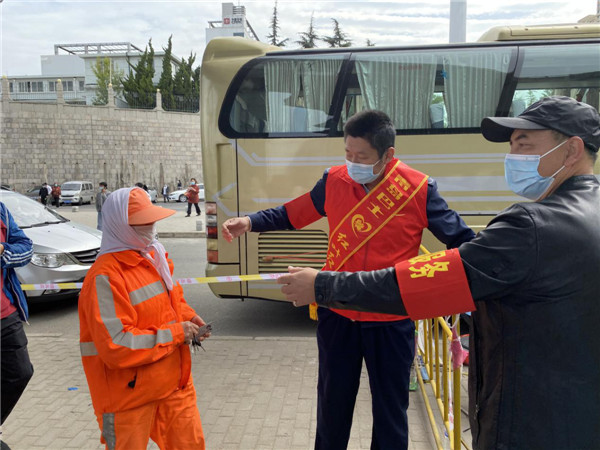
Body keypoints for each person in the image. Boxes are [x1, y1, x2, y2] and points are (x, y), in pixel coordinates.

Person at [279, 97, 600, 450]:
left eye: (523, 145)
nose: (513, 157)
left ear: (572, 150)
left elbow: (421, 282)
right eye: (511, 146)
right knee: (333, 403)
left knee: (389, 411)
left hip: (532, 417)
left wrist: (322, 285)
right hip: (572, 408)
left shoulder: (529, 226)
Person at [222, 110, 474, 449]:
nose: (353, 163)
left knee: (390, 412)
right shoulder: (334, 180)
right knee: (332, 406)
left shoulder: (418, 189)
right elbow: (294, 213)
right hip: (337, 314)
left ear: (388, 155)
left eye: (362, 157)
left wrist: (446, 289)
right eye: (348, 153)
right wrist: (251, 222)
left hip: (391, 319)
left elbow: (462, 240)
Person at [78, 187, 210, 450]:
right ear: (119, 226)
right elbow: (117, 345)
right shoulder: (105, 277)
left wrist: (190, 319)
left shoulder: (154, 257)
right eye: (142, 222)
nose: (151, 227)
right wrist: (178, 333)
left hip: (173, 384)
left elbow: (173, 302)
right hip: (126, 399)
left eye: (151, 220)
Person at [1, 202, 34, 440]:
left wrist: (3, 250)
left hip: (6, 314)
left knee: (21, 372)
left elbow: (26, 247)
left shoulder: (1, 210)